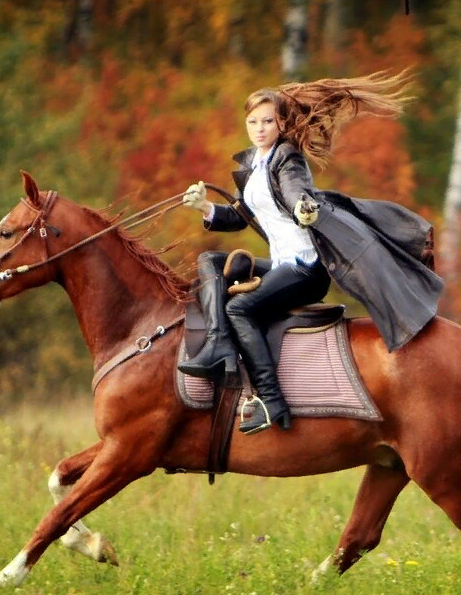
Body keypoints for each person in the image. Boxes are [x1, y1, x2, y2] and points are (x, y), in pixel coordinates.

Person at [178, 71, 444, 435]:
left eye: (268, 121)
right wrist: (206, 208)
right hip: (282, 264)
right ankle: (219, 346)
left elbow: (295, 191)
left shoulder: (286, 159)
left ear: (281, 123)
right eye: (253, 121)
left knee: (240, 308)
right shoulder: (255, 164)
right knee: (210, 261)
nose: (259, 128)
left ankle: (271, 401)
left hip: (305, 269)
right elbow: (240, 216)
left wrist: (304, 206)